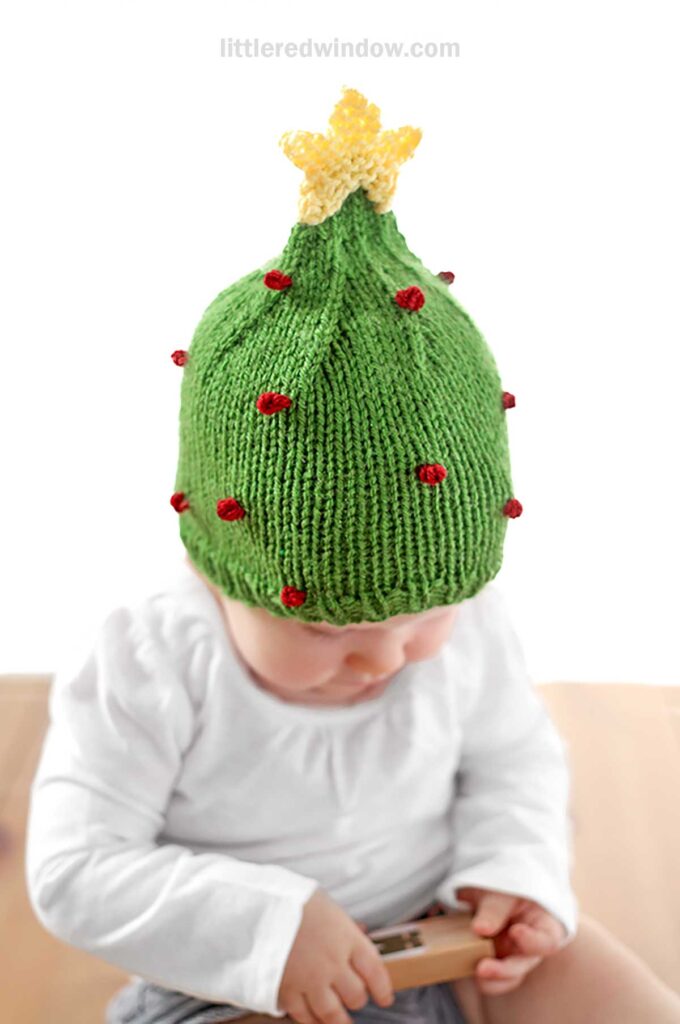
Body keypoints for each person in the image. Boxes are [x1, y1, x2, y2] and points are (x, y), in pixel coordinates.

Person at [25, 88, 680, 1024]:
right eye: (329, 626)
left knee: (615, 996)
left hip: (443, 937)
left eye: (422, 615)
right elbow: (74, 868)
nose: (386, 656)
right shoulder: (152, 657)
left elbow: (514, 762)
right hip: (238, 983)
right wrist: (267, 927)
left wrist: (511, 876)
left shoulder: (466, 627)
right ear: (221, 564)